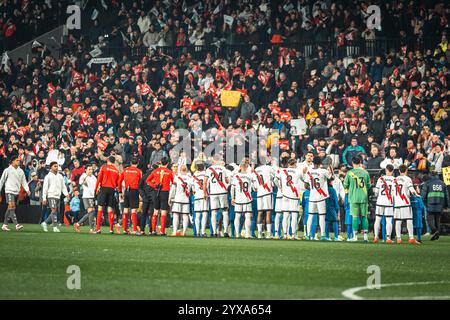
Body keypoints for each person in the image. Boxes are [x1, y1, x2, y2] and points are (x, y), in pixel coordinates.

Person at [304, 157, 333, 240]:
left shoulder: (309, 171)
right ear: (320, 163)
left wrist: (313, 189)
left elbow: (305, 186)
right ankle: (323, 235)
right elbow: (332, 179)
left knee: (310, 216)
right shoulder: (323, 171)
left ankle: (308, 235)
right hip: (321, 197)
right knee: (322, 216)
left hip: (312, 197)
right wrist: (331, 168)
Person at [343, 156, 371, 242]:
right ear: (360, 163)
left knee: (355, 217)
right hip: (363, 197)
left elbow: (345, 185)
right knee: (364, 216)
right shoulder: (365, 173)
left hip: (353, 197)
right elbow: (369, 185)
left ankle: (355, 237)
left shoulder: (349, 173)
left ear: (352, 163)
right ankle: (365, 237)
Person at [0, 155, 30, 231]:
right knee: (12, 206)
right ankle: (17, 224)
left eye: (19, 160)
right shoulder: (7, 170)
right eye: (17, 160)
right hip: (9, 191)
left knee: (10, 208)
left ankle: (4, 225)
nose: (18, 161)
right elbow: (2, 180)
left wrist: (27, 189)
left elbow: (24, 181)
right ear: (12, 161)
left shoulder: (21, 171)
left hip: (16, 192)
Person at [204, 154, 230, 237]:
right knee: (225, 211)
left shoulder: (209, 169)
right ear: (219, 160)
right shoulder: (223, 168)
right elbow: (227, 180)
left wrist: (205, 192)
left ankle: (214, 232)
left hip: (213, 192)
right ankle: (225, 231)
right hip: (223, 192)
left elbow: (205, 182)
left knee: (214, 212)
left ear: (213, 160)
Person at [146, 157, 174, 236]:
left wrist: (154, 185)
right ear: (167, 163)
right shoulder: (169, 172)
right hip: (165, 193)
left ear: (161, 162)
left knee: (155, 211)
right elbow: (173, 182)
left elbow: (148, 180)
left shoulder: (155, 171)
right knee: (163, 212)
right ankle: (162, 231)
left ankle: (153, 231)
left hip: (156, 192)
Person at [393, 165, 421, 244]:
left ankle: (398, 238)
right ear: (406, 170)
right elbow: (411, 189)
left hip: (397, 203)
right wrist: (417, 194)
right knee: (409, 220)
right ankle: (411, 238)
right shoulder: (408, 179)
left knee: (398, 221)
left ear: (399, 170)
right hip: (405, 202)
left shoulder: (395, 179)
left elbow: (392, 192)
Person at [230, 159, 257, 239]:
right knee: (248, 216)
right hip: (247, 199)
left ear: (240, 166)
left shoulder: (236, 176)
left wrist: (232, 198)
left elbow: (232, 188)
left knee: (237, 216)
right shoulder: (250, 175)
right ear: (247, 166)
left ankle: (237, 234)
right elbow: (255, 187)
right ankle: (247, 234)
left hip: (238, 198)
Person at [421, 169, 449, 241]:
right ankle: (436, 235)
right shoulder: (442, 183)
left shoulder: (427, 183)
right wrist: (447, 205)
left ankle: (434, 231)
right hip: (440, 204)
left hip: (430, 204)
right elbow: (447, 196)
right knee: (437, 220)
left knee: (429, 219)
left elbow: (423, 196)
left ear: (430, 175)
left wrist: (425, 204)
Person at [95, 156, 120, 234]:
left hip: (104, 188)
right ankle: (111, 229)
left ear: (108, 161)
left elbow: (99, 179)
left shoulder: (104, 167)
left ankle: (98, 229)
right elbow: (117, 183)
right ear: (114, 162)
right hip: (111, 190)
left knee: (100, 208)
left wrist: (96, 189)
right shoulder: (116, 170)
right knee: (110, 209)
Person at [41, 161, 69, 232]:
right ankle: (55, 227)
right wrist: (44, 198)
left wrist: (66, 194)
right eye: (55, 166)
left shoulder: (60, 176)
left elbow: (63, 186)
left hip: (58, 196)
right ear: (51, 167)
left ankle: (45, 223)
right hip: (51, 195)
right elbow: (45, 188)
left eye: (57, 166)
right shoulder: (48, 176)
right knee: (54, 210)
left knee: (54, 211)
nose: (56, 167)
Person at [279, 158, 303, 239]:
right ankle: (293, 234)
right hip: (294, 196)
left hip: (285, 195)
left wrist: (280, 187)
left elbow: (275, 179)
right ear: (295, 163)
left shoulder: (282, 171)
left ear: (288, 164)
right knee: (294, 215)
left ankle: (285, 234)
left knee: (285, 215)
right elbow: (304, 180)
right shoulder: (298, 171)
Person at [118, 158, 143, 234]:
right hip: (134, 191)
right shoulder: (139, 171)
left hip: (126, 191)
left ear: (130, 163)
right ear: (137, 163)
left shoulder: (125, 170)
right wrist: (141, 193)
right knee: (134, 210)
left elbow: (119, 181)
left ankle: (125, 229)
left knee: (125, 210)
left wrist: (120, 191)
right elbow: (141, 182)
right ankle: (134, 229)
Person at [372, 165, 396, 243]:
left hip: (380, 201)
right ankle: (388, 238)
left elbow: (376, 192)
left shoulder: (380, 179)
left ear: (386, 170)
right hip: (389, 202)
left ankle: (376, 237)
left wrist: (377, 195)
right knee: (389, 220)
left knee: (378, 219)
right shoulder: (394, 179)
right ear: (392, 171)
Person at [253, 160, 275, 239]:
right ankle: (268, 233)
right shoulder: (269, 168)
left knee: (260, 213)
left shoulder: (256, 170)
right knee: (268, 212)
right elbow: (274, 178)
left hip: (259, 193)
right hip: (267, 192)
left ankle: (259, 233)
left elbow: (254, 186)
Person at [168, 164, 192, 236]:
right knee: (185, 216)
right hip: (186, 199)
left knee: (176, 215)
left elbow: (173, 189)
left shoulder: (177, 177)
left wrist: (170, 198)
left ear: (180, 170)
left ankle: (175, 231)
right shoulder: (190, 178)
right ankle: (184, 232)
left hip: (177, 198)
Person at [74, 165, 97, 233]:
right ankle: (91, 229)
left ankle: (78, 224)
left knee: (91, 212)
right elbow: (81, 183)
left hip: (92, 196)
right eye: (89, 169)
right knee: (91, 212)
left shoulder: (93, 177)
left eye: (91, 169)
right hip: (87, 196)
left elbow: (96, 185)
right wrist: (85, 179)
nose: (90, 171)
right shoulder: (84, 175)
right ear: (85, 170)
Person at [137, 164, 157, 236]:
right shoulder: (156, 175)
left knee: (144, 214)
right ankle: (151, 231)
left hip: (145, 197)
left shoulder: (145, 175)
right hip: (153, 197)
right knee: (152, 214)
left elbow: (139, 187)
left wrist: (143, 195)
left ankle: (142, 230)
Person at [192, 162, 209, 237]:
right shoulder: (206, 173)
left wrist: (194, 192)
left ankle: (198, 232)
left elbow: (192, 186)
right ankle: (203, 232)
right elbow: (208, 184)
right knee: (204, 214)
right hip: (204, 195)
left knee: (197, 214)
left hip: (197, 195)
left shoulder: (194, 175)